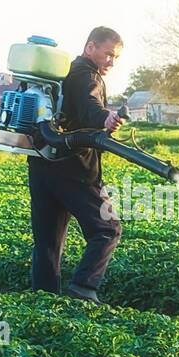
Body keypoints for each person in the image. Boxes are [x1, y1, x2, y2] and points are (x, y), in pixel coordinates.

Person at [26, 26, 127, 302]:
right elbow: (90, 105)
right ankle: (83, 288)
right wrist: (105, 119)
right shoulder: (86, 75)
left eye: (115, 57)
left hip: (42, 164)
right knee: (107, 228)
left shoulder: (62, 74)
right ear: (90, 47)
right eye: (108, 54)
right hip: (75, 170)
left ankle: (43, 302)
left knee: (48, 242)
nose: (111, 62)